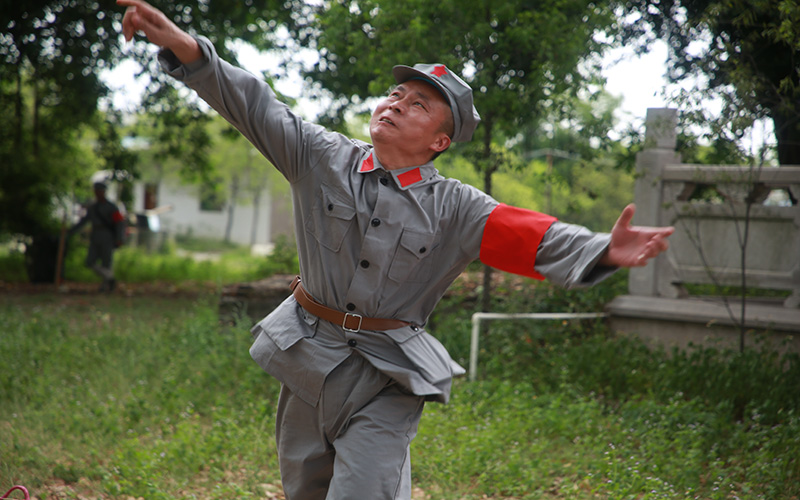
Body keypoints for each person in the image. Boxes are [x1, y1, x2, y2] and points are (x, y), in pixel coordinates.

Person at [118, 1, 675, 498]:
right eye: (395, 95)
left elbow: (533, 235)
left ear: (439, 141)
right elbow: (253, 104)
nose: (396, 104)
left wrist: (605, 248)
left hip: (387, 376)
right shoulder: (319, 157)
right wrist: (184, 46)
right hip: (308, 358)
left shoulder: (456, 207)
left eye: (419, 104)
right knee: (306, 490)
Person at [69, 181, 126, 292]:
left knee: (106, 262)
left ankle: (105, 286)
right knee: (90, 261)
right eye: (96, 191)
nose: (98, 193)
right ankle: (110, 277)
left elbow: (119, 223)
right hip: (95, 236)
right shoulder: (92, 207)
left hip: (108, 236)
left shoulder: (112, 207)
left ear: (104, 192)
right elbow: (84, 221)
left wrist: (119, 238)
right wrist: (71, 231)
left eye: (100, 191)